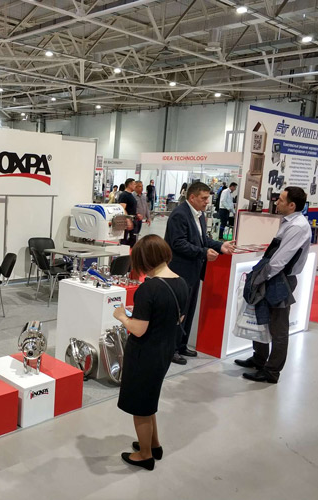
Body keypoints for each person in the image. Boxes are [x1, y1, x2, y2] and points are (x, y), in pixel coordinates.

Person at [113, 235, 188, 471]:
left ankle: (145, 455)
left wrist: (122, 316)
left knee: (140, 406)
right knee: (149, 400)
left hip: (144, 353)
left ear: (144, 260)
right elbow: (179, 318)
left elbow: (138, 329)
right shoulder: (182, 283)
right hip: (165, 350)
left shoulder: (148, 288)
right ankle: (154, 445)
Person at [235, 187, 312, 383]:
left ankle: (271, 371)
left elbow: (280, 261)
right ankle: (259, 359)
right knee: (261, 317)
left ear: (292, 205)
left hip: (280, 280)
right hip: (274, 277)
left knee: (278, 326)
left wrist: (261, 277)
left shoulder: (297, 227)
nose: (276, 202)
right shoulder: (289, 222)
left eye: (281, 200)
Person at [165, 182, 234, 364]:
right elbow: (178, 243)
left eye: (207, 198)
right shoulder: (179, 215)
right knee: (178, 311)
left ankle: (181, 345)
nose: (207, 202)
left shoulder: (200, 215)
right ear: (192, 197)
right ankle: (171, 349)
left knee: (189, 309)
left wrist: (220, 246)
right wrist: (203, 253)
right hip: (179, 271)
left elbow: (203, 240)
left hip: (194, 271)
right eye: (203, 198)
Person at [117, 178, 138, 247]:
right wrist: (128, 220)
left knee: (133, 239)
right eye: (134, 184)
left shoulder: (131, 195)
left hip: (133, 219)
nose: (135, 186)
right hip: (127, 220)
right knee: (124, 239)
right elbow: (122, 208)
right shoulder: (124, 195)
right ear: (129, 185)